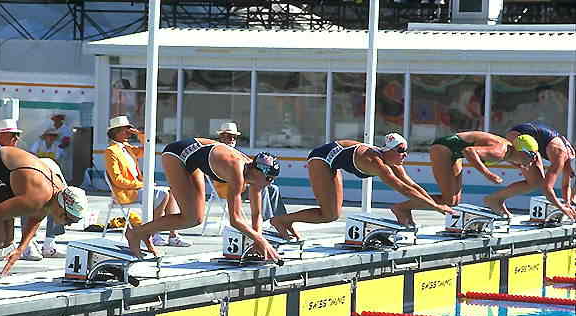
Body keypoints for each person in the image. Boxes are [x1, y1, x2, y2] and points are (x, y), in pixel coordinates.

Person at [0, 146, 88, 285]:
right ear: (62, 207)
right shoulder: (36, 198)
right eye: (69, 219)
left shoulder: (57, 195)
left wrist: (20, 249)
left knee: (6, 241)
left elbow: (36, 217)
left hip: (2, 174)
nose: (69, 224)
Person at [124, 138, 281, 262]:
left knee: (196, 219)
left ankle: (144, 232)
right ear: (258, 171)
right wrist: (260, 240)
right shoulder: (237, 171)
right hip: (176, 154)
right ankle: (135, 233)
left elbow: (256, 214)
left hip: (194, 158)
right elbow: (235, 219)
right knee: (189, 217)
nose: (270, 183)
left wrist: (257, 241)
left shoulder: (254, 177)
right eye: (269, 178)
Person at [270, 134, 453, 238]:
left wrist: (437, 204)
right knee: (329, 214)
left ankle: (286, 220)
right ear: (389, 150)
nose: (405, 154)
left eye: (406, 150)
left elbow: (412, 186)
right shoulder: (376, 163)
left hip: (334, 160)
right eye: (401, 150)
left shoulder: (394, 163)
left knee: (332, 214)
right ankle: (280, 220)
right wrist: (437, 207)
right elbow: (403, 189)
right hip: (321, 159)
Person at [394, 131, 544, 219]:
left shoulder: (510, 151)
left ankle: (404, 208)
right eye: (531, 155)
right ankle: (402, 208)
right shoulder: (500, 152)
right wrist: (488, 174)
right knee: (448, 199)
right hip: (443, 148)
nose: (533, 160)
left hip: (453, 150)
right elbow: (469, 151)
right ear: (521, 151)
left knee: (453, 201)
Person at [104, 116, 190, 247]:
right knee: (162, 194)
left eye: (129, 130)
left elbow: (147, 149)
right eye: (125, 130)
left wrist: (139, 134)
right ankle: (153, 233)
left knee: (170, 193)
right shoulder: (111, 151)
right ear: (116, 132)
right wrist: (143, 184)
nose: (128, 133)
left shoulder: (127, 148)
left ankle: (173, 235)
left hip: (137, 189)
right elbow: (118, 180)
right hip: (126, 193)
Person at [0, 122, 67, 260]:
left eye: (17, 135)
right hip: (4, 191)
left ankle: (49, 242)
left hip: (21, 186)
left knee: (57, 198)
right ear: (0, 136)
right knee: (29, 199)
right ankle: (27, 245)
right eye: (13, 135)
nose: (16, 138)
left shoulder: (17, 152)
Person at [484, 121, 576, 219]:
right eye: (573, 174)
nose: (571, 175)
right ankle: (495, 199)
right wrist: (562, 208)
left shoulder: (569, 159)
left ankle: (496, 198)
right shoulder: (560, 158)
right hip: (519, 137)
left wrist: (567, 203)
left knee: (537, 181)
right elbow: (547, 188)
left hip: (530, 137)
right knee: (535, 182)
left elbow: (566, 185)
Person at [214, 122, 287, 221]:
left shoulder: (235, 152)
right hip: (227, 188)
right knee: (260, 186)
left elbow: (249, 165)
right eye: (228, 136)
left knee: (273, 188)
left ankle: (282, 220)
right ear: (221, 137)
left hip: (242, 184)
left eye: (234, 137)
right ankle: (268, 221)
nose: (232, 139)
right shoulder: (219, 152)